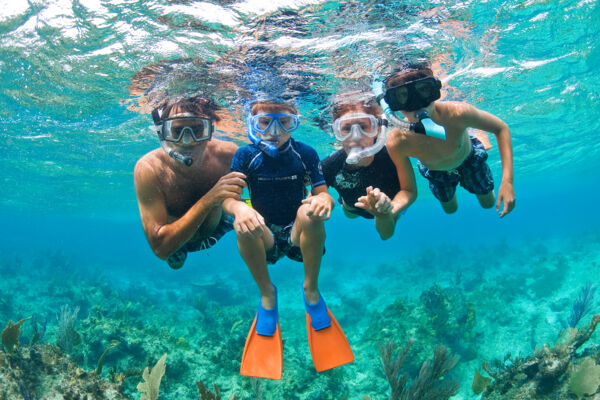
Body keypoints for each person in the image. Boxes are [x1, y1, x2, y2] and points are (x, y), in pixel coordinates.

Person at [222, 98, 353, 379]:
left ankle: (311, 289)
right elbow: (230, 201)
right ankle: (267, 293)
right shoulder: (245, 156)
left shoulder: (305, 153)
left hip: (297, 231)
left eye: (284, 122)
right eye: (264, 122)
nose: (274, 130)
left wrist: (324, 202)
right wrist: (238, 210)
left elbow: (322, 192)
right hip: (263, 234)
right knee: (242, 222)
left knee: (310, 211)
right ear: (252, 125)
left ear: (295, 122)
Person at [383, 64, 516, 217]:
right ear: (391, 104)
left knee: (488, 203)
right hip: (436, 171)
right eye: (402, 96)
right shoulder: (398, 140)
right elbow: (408, 190)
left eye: (423, 91)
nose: (416, 104)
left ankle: (475, 137)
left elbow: (501, 128)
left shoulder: (458, 113)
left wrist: (508, 182)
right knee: (450, 210)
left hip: (469, 158)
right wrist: (390, 210)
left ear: (435, 90)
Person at [134, 96, 246, 269]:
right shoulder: (149, 168)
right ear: (163, 133)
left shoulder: (228, 153)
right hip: (181, 241)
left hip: (220, 223)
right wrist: (210, 199)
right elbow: (161, 249)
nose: (189, 140)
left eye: (197, 129)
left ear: (209, 130)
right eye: (178, 131)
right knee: (173, 261)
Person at [321, 89, 417, 240]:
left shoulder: (393, 155)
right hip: (352, 208)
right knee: (349, 214)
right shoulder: (330, 165)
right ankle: (347, 205)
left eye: (364, 127)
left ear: (378, 129)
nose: (356, 136)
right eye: (346, 129)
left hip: (390, 205)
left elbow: (409, 191)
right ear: (336, 131)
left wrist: (387, 212)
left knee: (391, 224)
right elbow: (314, 196)